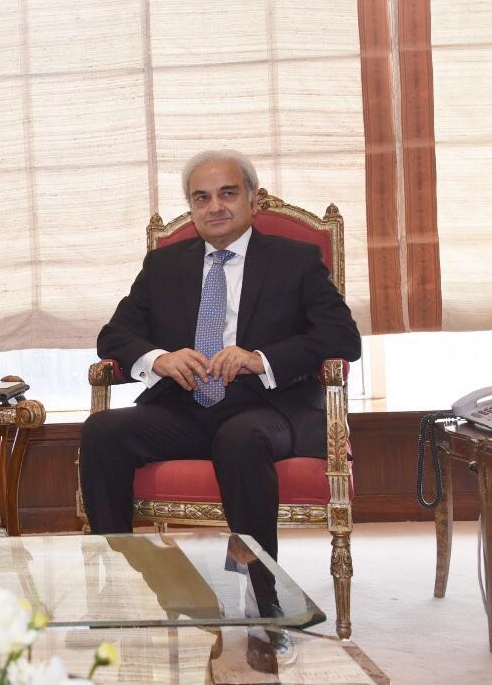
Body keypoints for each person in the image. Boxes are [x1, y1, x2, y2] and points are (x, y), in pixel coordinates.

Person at [79, 149, 360, 564]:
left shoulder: (294, 261)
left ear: (253, 200)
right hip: (184, 407)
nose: (215, 207)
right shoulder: (163, 266)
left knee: (240, 439)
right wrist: (160, 359)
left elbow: (343, 337)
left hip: (268, 407)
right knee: (102, 431)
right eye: (201, 197)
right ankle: (127, 575)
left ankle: (259, 594)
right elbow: (114, 335)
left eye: (227, 193)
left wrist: (258, 358)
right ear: (191, 206)